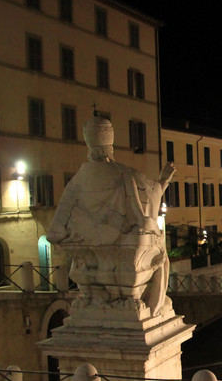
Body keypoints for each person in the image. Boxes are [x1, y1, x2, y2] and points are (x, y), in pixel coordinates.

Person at [48, 112, 175, 316]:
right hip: (126, 269)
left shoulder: (76, 182)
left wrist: (83, 231)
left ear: (89, 146)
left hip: (86, 271)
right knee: (161, 253)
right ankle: (155, 305)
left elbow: (54, 232)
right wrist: (163, 183)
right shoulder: (124, 175)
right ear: (110, 147)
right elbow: (142, 216)